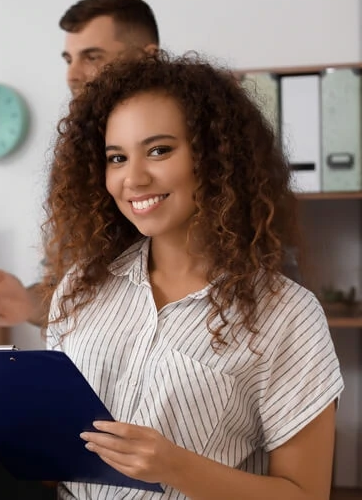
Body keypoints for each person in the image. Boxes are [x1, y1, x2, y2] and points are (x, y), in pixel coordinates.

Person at [43, 51, 343, 499]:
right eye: (117, 158)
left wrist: (175, 466)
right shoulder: (81, 287)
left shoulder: (288, 315)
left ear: (217, 158)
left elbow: (306, 494)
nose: (134, 178)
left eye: (159, 150)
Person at [0, 0, 160, 329]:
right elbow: (70, 290)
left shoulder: (200, 147)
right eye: (68, 59)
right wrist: (27, 303)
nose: (73, 74)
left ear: (148, 58)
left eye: (92, 57)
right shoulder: (75, 161)